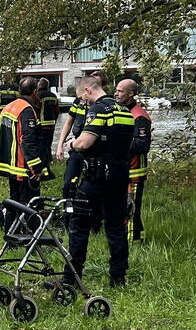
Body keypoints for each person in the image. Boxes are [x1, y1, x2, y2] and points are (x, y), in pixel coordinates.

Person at [63, 75, 135, 288]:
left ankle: (71, 279)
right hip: (120, 176)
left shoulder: (99, 109)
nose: (83, 102)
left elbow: (85, 143)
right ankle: (118, 278)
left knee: (79, 225)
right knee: (116, 228)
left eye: (82, 98)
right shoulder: (124, 111)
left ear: (87, 90)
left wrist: (71, 144)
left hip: (97, 177)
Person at [0, 76, 46, 230]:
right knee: (30, 203)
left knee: (13, 202)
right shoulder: (26, 110)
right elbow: (27, 141)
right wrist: (36, 168)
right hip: (23, 167)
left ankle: (11, 234)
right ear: (35, 91)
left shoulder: (9, 106)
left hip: (11, 166)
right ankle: (34, 237)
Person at [55, 71, 107, 198]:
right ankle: (67, 209)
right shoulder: (79, 101)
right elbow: (68, 123)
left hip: (97, 150)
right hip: (77, 146)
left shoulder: (105, 106)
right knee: (69, 182)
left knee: (94, 185)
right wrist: (60, 145)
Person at [115, 78, 152, 243]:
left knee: (130, 209)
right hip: (121, 169)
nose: (116, 94)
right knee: (121, 207)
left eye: (120, 91)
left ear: (130, 94)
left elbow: (142, 145)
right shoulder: (121, 111)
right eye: (116, 90)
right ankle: (136, 239)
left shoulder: (139, 116)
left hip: (134, 171)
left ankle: (132, 245)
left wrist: (116, 139)